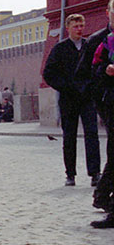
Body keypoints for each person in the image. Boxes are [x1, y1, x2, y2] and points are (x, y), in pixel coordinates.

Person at [43, 13, 101, 187]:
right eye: (75, 26)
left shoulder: (89, 46)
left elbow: (97, 67)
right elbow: (48, 74)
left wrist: (92, 86)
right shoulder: (60, 49)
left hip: (87, 98)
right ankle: (70, 174)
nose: (79, 29)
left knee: (92, 135)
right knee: (69, 137)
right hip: (68, 99)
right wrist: (65, 86)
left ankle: (95, 173)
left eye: (81, 26)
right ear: (68, 28)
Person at [88, 0, 114, 228]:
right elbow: (87, 74)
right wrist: (104, 70)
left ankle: (104, 197)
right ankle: (104, 198)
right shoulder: (103, 41)